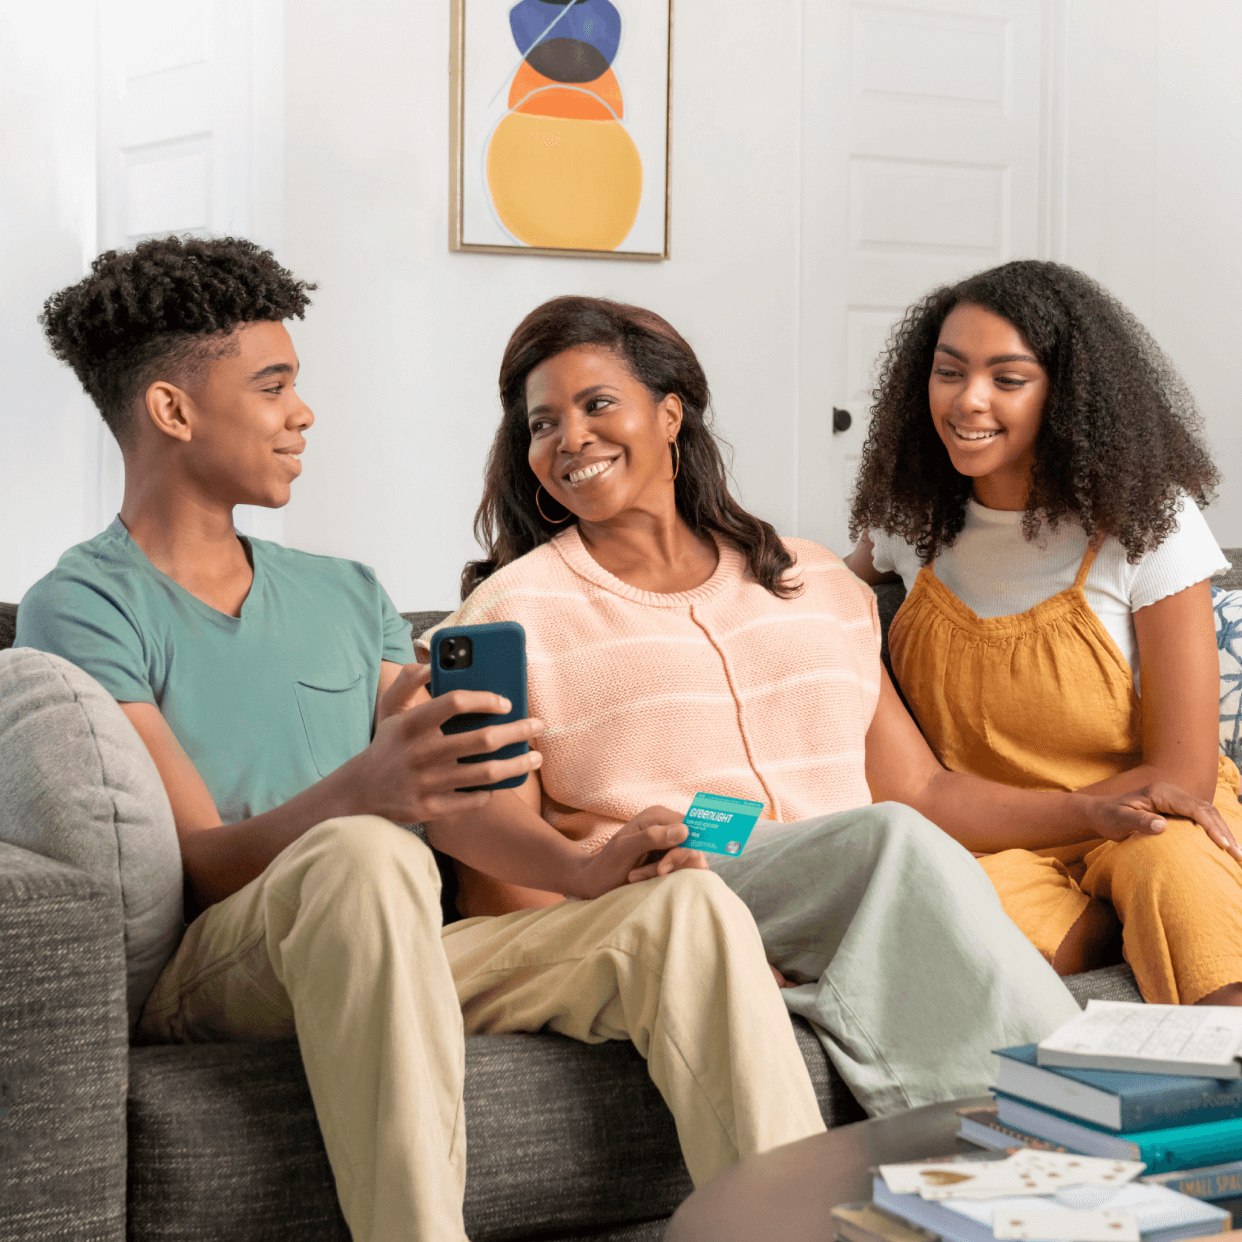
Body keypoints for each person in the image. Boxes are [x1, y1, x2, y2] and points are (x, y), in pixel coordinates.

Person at [16, 238, 829, 1242]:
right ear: (173, 411)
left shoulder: (344, 593)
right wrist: (362, 791)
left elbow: (450, 794)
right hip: (228, 963)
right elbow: (204, 864)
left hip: (395, 938)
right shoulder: (84, 604)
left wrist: (585, 866)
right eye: (273, 387)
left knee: (687, 909)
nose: (302, 413)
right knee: (364, 854)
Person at [417, 295, 1227, 1120]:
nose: (569, 439)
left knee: (900, 843)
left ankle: (1053, 1155)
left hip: (851, 889)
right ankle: (1087, 1135)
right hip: (666, 895)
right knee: (887, 845)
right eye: (542, 424)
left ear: (669, 416)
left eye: (596, 405)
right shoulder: (506, 617)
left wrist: (1090, 807)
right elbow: (493, 884)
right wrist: (646, 958)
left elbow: (922, 794)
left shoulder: (814, 585)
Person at [845, 260, 1242, 1006]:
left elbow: (1181, 778)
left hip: (1150, 819)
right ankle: (1111, 929)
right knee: (937, 907)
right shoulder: (910, 520)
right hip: (997, 839)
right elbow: (807, 603)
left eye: (1008, 378)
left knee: (1175, 871)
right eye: (949, 372)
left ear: (1068, 397)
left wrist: (1101, 822)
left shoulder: (1147, 523)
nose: (969, 401)